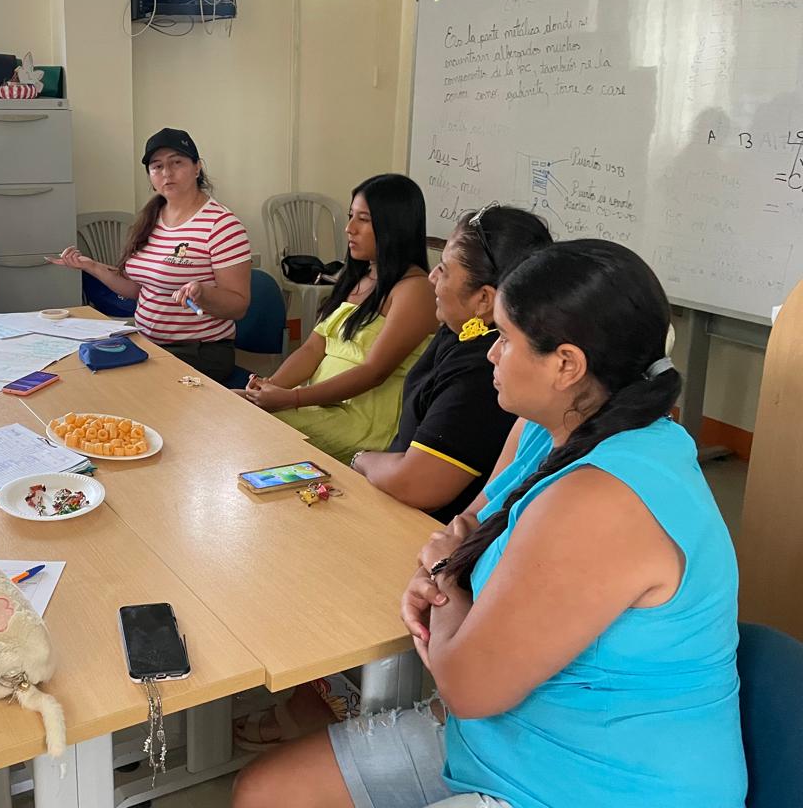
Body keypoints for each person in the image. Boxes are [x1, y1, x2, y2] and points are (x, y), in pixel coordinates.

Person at [232, 239, 746, 808]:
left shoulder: (603, 499)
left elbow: (465, 684)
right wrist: (446, 571)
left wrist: (443, 580)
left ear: (567, 364)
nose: (491, 354)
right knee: (264, 792)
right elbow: (468, 524)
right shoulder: (550, 427)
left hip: (593, 783)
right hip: (505, 736)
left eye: (504, 337)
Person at [352, 204, 552, 520]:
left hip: (420, 526)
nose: (432, 277)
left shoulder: (485, 370)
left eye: (444, 270)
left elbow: (417, 486)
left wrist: (360, 459)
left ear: (484, 299)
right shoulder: (460, 328)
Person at [239, 174, 437, 460]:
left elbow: (374, 372)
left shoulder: (415, 290)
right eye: (350, 216)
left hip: (363, 424)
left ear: (395, 227)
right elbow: (312, 348)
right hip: (321, 405)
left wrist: (291, 398)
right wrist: (270, 388)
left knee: (249, 423)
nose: (349, 228)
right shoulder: (358, 276)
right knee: (232, 402)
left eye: (363, 219)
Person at [49, 128, 251, 382]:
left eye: (177, 162)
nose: (167, 173)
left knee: (124, 389)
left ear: (197, 168)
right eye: (157, 166)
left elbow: (238, 306)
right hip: (148, 343)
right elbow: (137, 288)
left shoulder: (221, 225)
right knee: (83, 374)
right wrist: (90, 266)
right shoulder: (151, 218)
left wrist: (204, 294)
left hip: (199, 351)